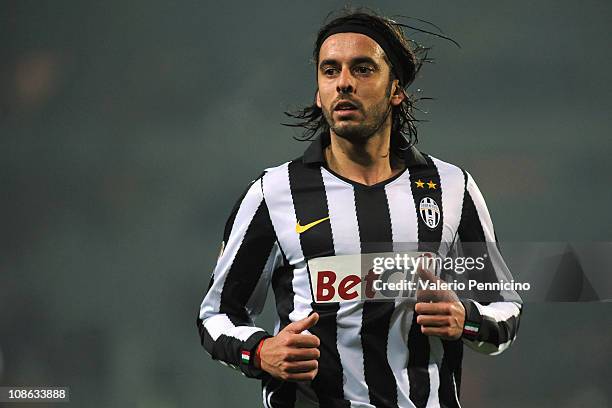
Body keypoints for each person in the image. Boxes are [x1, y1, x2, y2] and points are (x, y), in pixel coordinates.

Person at [197, 9, 522, 408]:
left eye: (363, 69)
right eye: (330, 71)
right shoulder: (274, 192)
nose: (344, 83)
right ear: (318, 93)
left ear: (395, 89)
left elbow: (505, 305)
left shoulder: (450, 188)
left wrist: (466, 320)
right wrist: (261, 351)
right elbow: (216, 316)